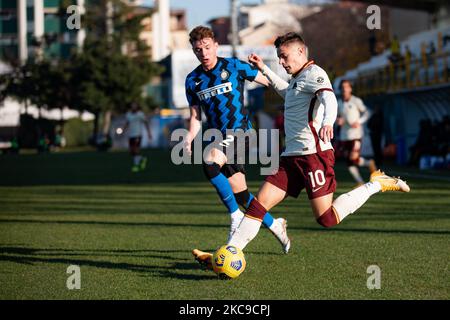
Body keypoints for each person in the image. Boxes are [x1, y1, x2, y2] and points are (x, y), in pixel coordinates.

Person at [195, 32, 410, 267]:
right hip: (291, 157)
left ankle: (376, 183)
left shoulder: (315, 74)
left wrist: (328, 122)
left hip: (313, 156)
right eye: (279, 58)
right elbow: (287, 92)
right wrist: (264, 69)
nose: (282, 62)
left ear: (301, 51)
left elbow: (330, 100)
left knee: (326, 218)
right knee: (258, 205)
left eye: (284, 56)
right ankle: (227, 253)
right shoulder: (298, 79)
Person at [184, 26, 290, 263]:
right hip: (220, 138)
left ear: (216, 46)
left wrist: (293, 94)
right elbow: (194, 117)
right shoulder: (193, 80)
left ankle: (234, 217)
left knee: (210, 162)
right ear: (194, 51)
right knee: (242, 195)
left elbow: (270, 82)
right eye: (198, 49)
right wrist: (189, 137)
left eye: (207, 47)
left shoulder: (233, 66)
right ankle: (276, 225)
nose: (203, 53)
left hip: (241, 132)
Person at [337, 79, 377, 185]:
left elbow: (367, 112)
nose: (344, 89)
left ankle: (369, 163)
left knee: (353, 157)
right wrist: (338, 120)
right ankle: (360, 181)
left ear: (350, 88)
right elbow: (337, 117)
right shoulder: (339, 103)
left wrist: (359, 121)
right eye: (342, 87)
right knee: (350, 162)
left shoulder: (356, 101)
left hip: (355, 135)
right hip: (344, 136)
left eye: (346, 87)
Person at [123, 102, 152, 173]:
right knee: (131, 151)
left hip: (138, 135)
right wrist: (123, 130)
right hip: (131, 135)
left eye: (135, 106)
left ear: (137, 107)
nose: (133, 107)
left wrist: (149, 133)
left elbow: (146, 122)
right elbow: (127, 123)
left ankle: (136, 166)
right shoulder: (128, 114)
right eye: (132, 106)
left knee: (136, 150)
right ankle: (142, 159)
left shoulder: (140, 114)